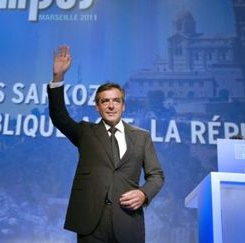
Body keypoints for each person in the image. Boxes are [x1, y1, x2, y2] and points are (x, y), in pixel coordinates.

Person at [47, 45, 165, 243]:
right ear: (98, 107)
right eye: (105, 101)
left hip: (128, 223)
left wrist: (144, 193)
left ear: (123, 105)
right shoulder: (85, 132)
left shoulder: (141, 137)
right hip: (92, 224)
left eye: (116, 101)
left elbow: (156, 176)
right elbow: (59, 117)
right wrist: (58, 77)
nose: (111, 105)